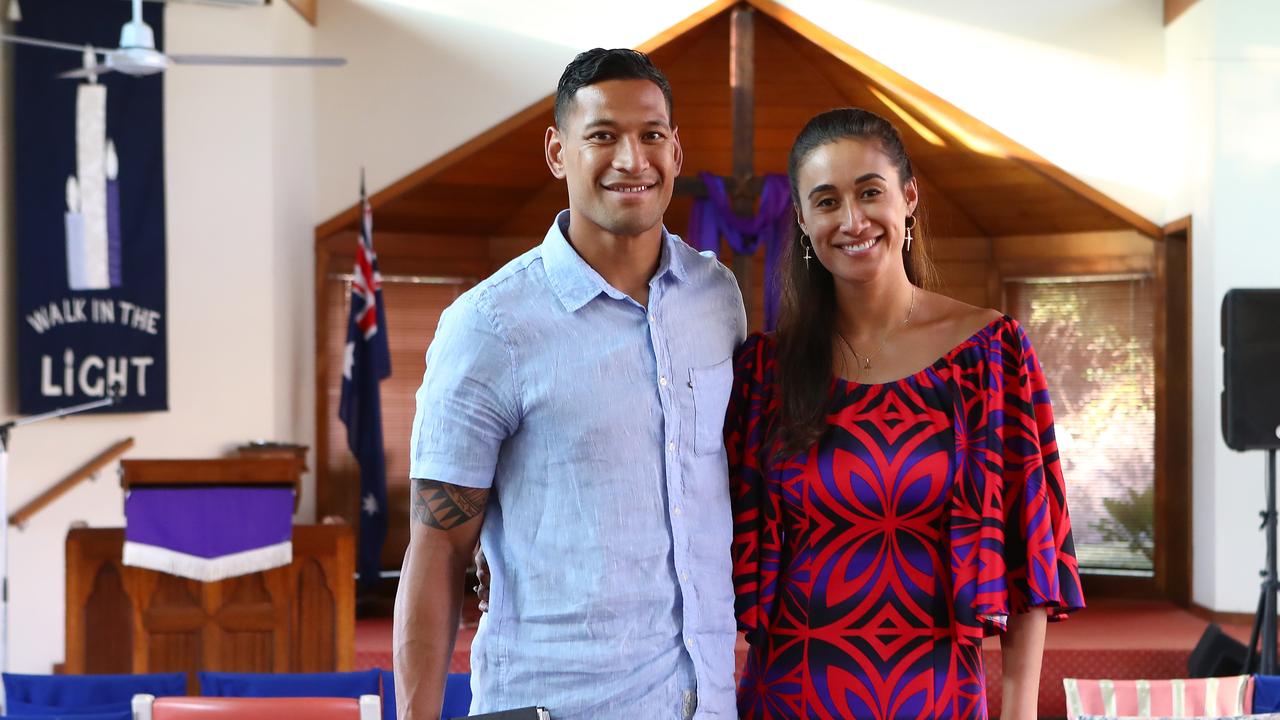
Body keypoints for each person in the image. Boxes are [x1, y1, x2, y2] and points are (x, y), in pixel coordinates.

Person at [394, 48, 746, 720]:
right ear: (558, 151)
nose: (631, 160)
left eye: (651, 136)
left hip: (705, 703)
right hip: (557, 703)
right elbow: (437, 546)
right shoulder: (490, 325)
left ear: (676, 150)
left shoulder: (716, 296)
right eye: (603, 136)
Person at [727, 108, 1086, 720]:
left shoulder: (991, 355)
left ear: (908, 197)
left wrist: (1021, 705)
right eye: (827, 201)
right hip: (789, 695)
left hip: (938, 694)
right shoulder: (765, 370)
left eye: (870, 193)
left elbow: (1034, 546)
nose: (852, 220)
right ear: (803, 219)